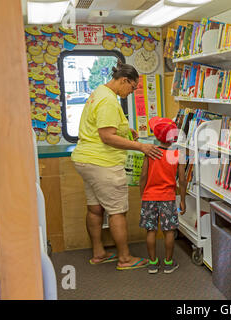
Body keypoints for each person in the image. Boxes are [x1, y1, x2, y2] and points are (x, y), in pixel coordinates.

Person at [71, 60, 163, 271]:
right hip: (103, 162)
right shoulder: (109, 101)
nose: (131, 92)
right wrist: (140, 146)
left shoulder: (99, 92)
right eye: (132, 88)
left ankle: (99, 253)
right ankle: (125, 258)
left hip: (85, 159)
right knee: (117, 211)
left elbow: (102, 127)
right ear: (123, 80)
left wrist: (125, 132)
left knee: (95, 209)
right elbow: (106, 137)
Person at [139, 117, 187, 274]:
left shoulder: (150, 152)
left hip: (149, 197)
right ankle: (168, 263)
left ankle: (152, 263)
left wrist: (143, 195)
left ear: (157, 136)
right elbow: (182, 179)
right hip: (168, 197)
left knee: (151, 231)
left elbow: (143, 176)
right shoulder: (177, 154)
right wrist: (183, 200)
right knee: (169, 231)